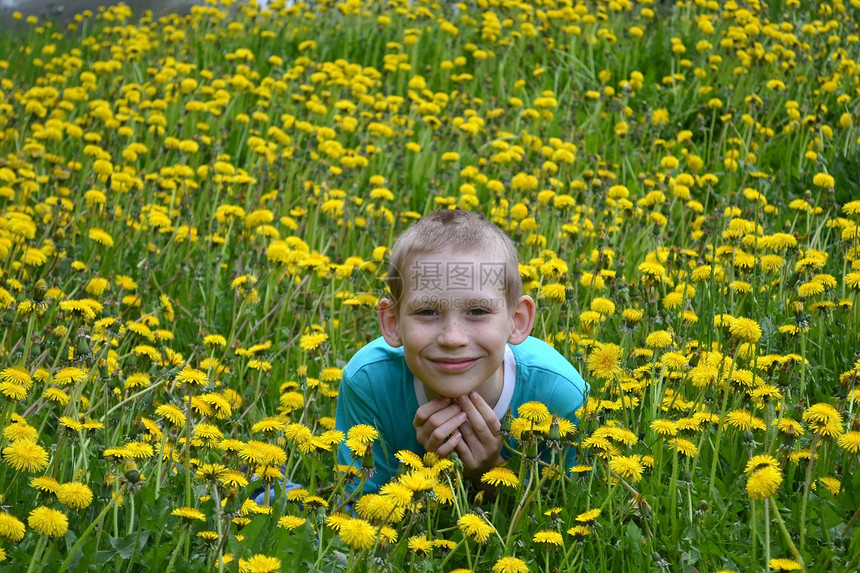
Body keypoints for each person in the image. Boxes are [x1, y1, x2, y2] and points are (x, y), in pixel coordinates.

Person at [335, 209, 589, 494]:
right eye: (427, 311)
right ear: (393, 323)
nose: (452, 338)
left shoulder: (559, 393)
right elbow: (358, 510)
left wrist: (491, 472)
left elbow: (577, 505)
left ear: (517, 320)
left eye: (478, 311)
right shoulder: (368, 382)